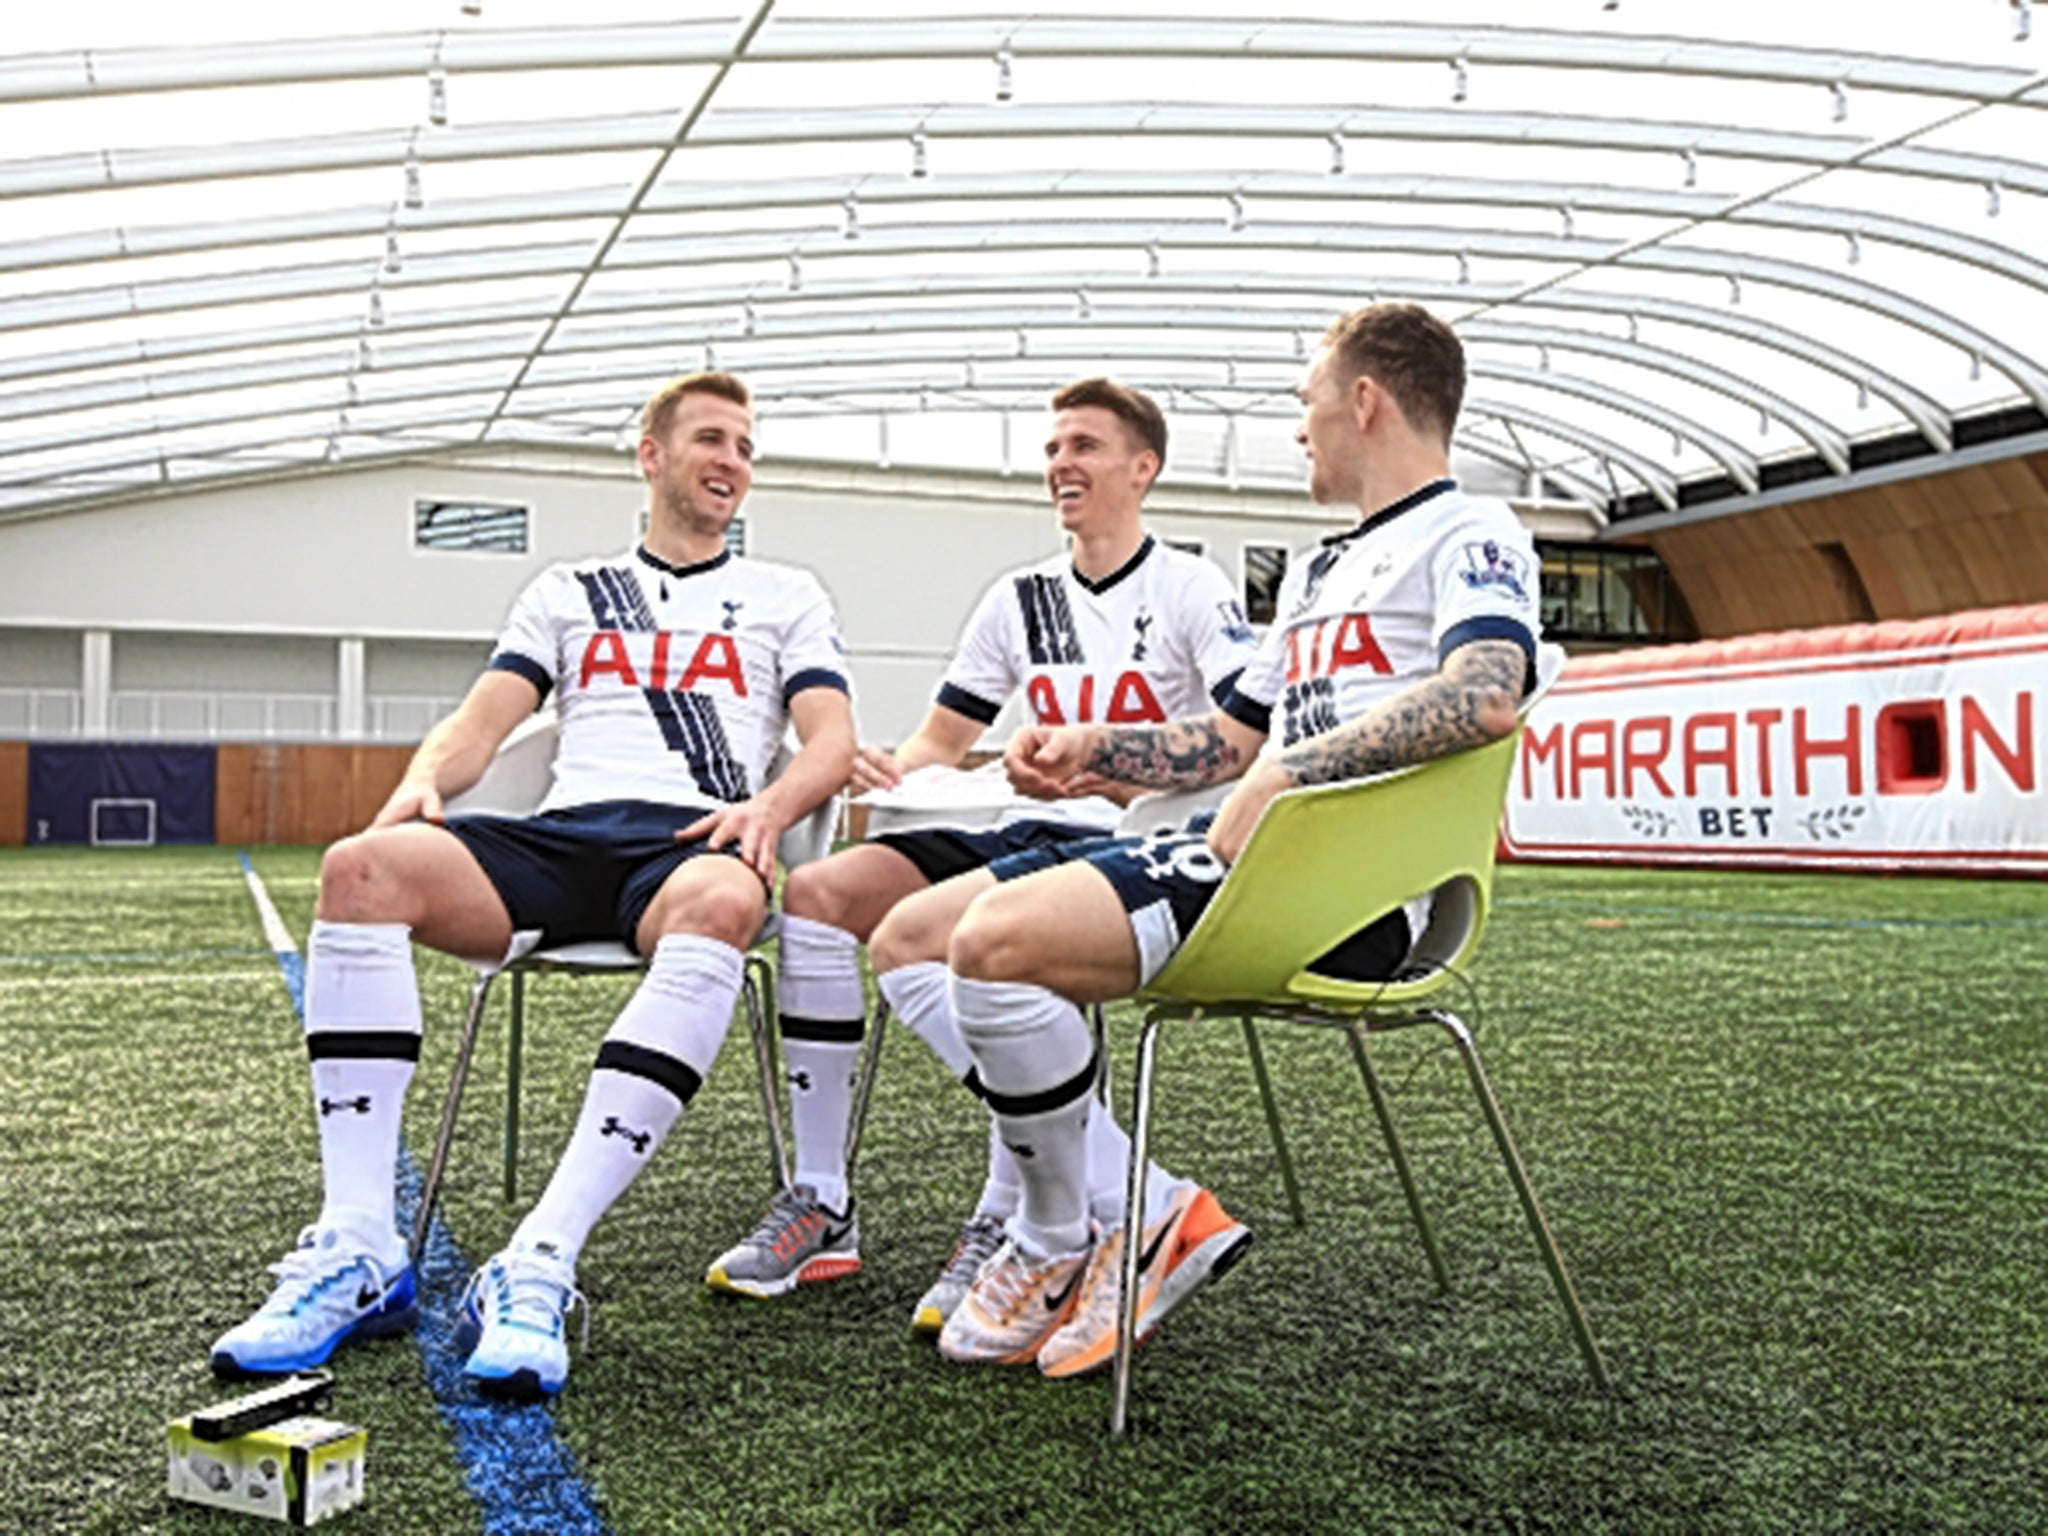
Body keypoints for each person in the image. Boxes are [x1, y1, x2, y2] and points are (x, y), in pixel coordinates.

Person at [871, 303, 1541, 1376]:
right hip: (1240, 861)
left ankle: (1068, 1231)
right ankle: (1124, 1206)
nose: (1299, 429)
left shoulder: (1472, 533)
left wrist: (1293, 766)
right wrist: (1100, 750)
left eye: (1307, 403)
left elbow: (1484, 695)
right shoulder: (1322, 572)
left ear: (1363, 400)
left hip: (1348, 897)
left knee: (992, 943)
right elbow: (1226, 739)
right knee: (909, 936)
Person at [209, 372, 856, 1400]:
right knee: (359, 868)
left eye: (743, 445)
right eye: (709, 440)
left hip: (691, 840)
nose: (731, 460)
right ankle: (360, 1244)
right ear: (649, 455)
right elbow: (479, 725)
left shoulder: (787, 595)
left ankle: (539, 1257)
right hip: (558, 840)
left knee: (726, 903)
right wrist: (422, 782)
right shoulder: (568, 588)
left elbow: (833, 742)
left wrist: (768, 811)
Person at [702, 379, 1257, 1343]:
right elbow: (941, 740)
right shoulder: (1019, 597)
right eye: (1053, 448)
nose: (1061, 465)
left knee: (936, 940)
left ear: (1143, 468)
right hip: (1010, 821)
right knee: (826, 892)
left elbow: (1237, 734)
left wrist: (1103, 754)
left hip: (1117, 844)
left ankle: (1026, 1211)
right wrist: (888, 766)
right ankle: (825, 1199)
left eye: (1084, 445)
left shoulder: (1191, 587)